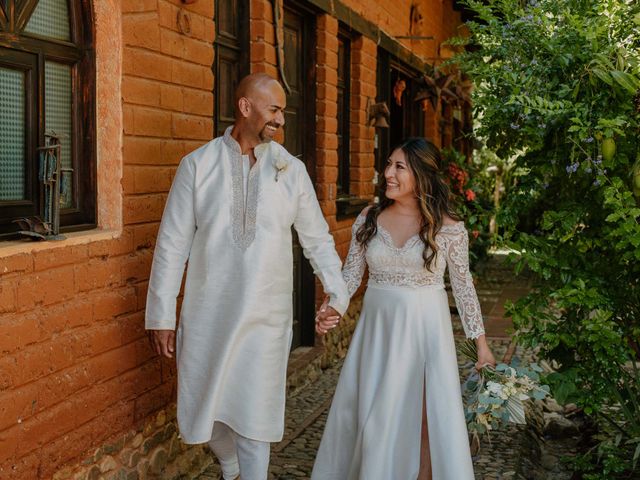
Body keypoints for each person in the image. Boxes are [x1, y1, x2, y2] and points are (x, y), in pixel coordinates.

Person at [145, 73, 349, 480]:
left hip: (266, 318)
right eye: (273, 109)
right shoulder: (197, 166)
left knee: (255, 419)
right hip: (208, 315)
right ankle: (230, 464)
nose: (281, 120)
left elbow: (318, 238)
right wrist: (161, 316)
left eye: (282, 112)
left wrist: (336, 293)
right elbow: (171, 245)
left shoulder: (291, 171)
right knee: (207, 413)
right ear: (245, 107)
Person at [312, 137, 496, 480]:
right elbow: (350, 276)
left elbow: (464, 288)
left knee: (426, 418)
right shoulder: (369, 218)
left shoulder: (448, 228)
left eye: (399, 167)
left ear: (422, 175)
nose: (388, 174)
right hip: (377, 332)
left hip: (425, 331)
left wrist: (481, 345)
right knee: (373, 415)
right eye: (388, 165)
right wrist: (332, 306)